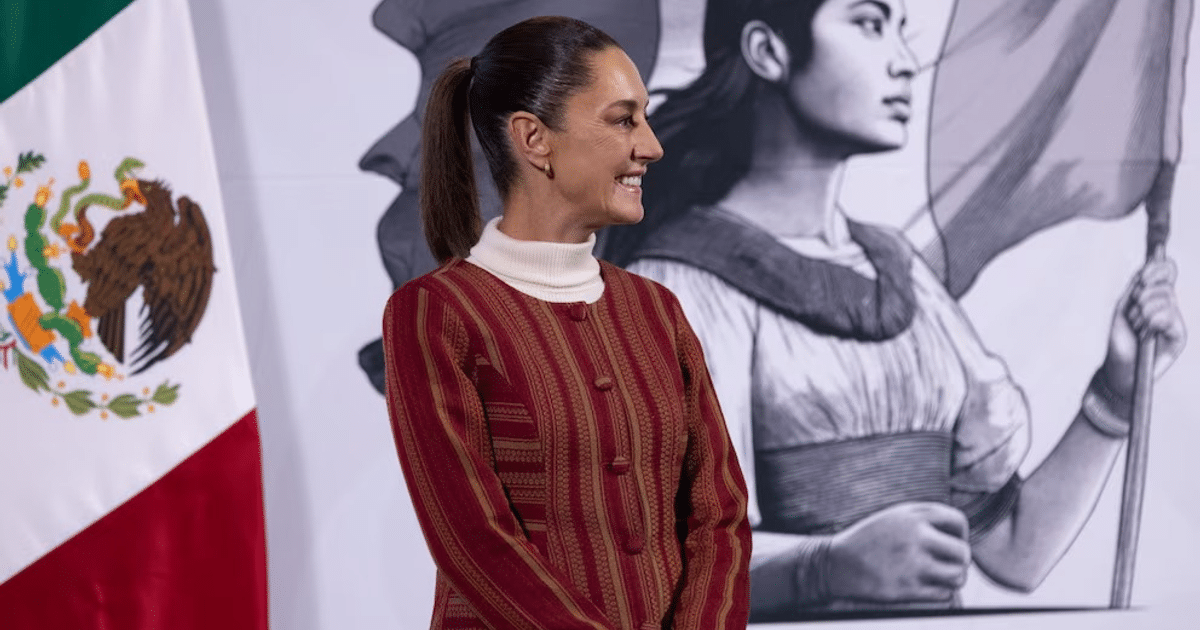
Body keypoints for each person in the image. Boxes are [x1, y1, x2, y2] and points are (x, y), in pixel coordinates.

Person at [602, 0, 1188, 620]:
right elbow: (662, 566)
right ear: (768, 51)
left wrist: (1117, 393)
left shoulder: (900, 271)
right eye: (869, 24)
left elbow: (1015, 552)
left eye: (902, 33)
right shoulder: (677, 288)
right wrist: (824, 567)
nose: (906, 63)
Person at [380, 16, 751, 630]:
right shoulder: (436, 313)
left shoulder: (657, 308)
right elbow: (472, 539)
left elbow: (720, 513)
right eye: (623, 118)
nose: (652, 145)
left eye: (646, 117)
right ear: (534, 139)